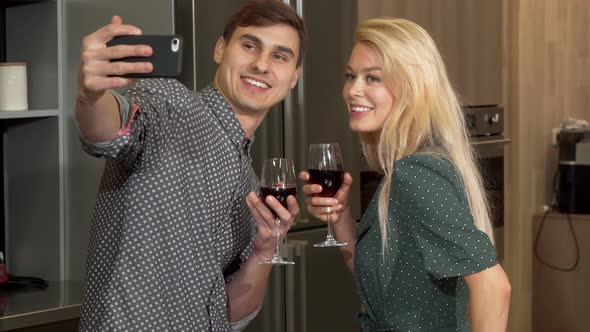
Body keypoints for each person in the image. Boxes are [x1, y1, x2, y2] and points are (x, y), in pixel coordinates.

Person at [75, 0, 306, 331]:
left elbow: (231, 316)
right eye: (250, 45)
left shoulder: (252, 185)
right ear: (220, 49)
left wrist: (265, 251)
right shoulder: (171, 104)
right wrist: (89, 95)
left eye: (280, 56)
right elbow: (109, 132)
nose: (261, 65)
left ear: (293, 77)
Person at [301, 18, 511, 331]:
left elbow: (494, 288)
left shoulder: (417, 172)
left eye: (373, 78)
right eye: (350, 76)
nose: (352, 90)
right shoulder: (406, 168)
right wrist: (340, 216)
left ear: (412, 89)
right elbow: (379, 283)